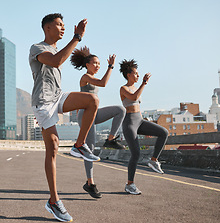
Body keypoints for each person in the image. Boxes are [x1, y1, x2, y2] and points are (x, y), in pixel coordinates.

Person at [29, 13, 100, 222]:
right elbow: (56, 61)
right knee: (53, 147)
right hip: (42, 102)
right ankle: (53, 201)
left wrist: (81, 48)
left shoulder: (56, 48)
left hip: (57, 97)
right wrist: (76, 37)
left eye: (64, 25)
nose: (63, 28)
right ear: (47, 28)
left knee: (92, 101)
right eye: (59, 25)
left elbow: (61, 57)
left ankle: (79, 145)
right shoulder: (38, 48)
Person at [70, 46, 126, 198]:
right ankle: (90, 183)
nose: (97, 65)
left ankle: (110, 139)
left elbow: (100, 83)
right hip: (84, 114)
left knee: (120, 110)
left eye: (99, 63)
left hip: (93, 113)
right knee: (90, 149)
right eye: (94, 63)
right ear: (87, 65)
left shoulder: (92, 78)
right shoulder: (86, 77)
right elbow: (103, 83)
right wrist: (110, 66)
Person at [119, 59, 168, 195]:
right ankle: (130, 184)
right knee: (136, 154)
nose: (138, 76)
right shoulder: (124, 89)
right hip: (129, 123)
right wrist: (144, 83)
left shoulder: (135, 87)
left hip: (140, 121)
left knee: (163, 132)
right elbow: (134, 98)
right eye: (135, 73)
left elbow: (136, 100)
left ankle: (153, 161)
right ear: (128, 75)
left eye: (138, 74)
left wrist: (141, 85)